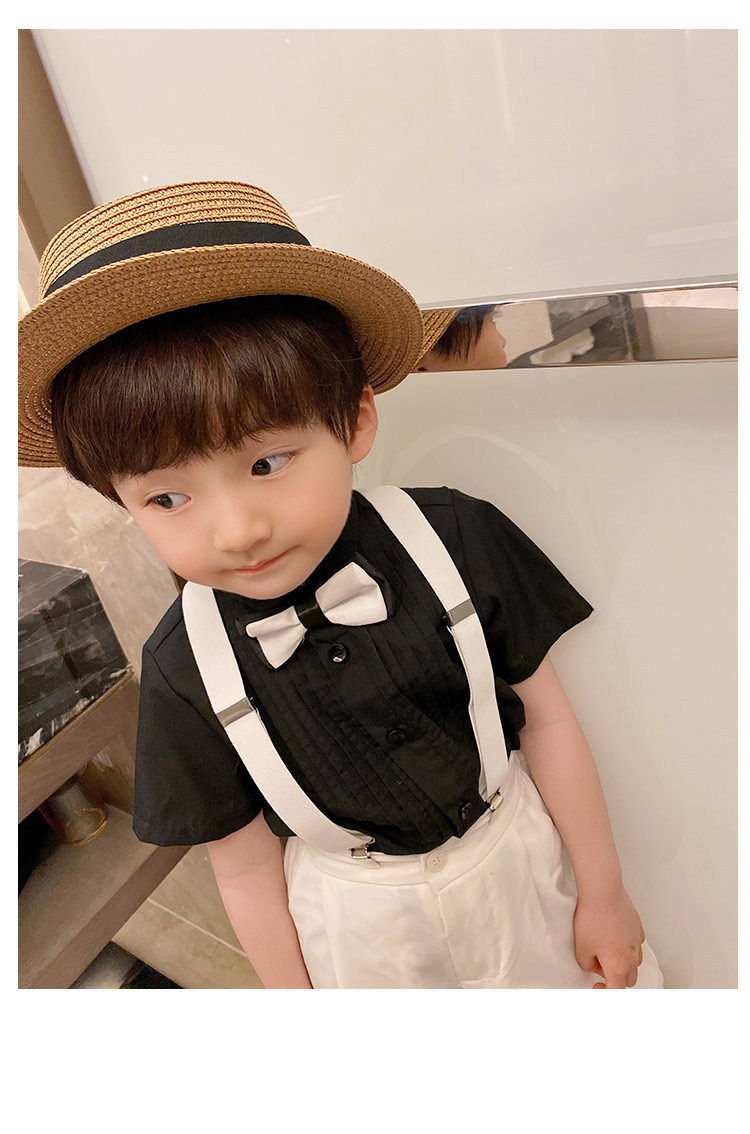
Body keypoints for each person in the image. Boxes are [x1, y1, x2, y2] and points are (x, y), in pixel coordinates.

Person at [19, 179, 663, 989]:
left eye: (267, 462)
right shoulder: (186, 667)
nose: (236, 530)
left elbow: (549, 721)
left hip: (519, 865)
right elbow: (244, 868)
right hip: (358, 927)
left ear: (355, 421)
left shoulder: (455, 536)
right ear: (121, 501)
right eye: (168, 499)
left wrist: (603, 891)